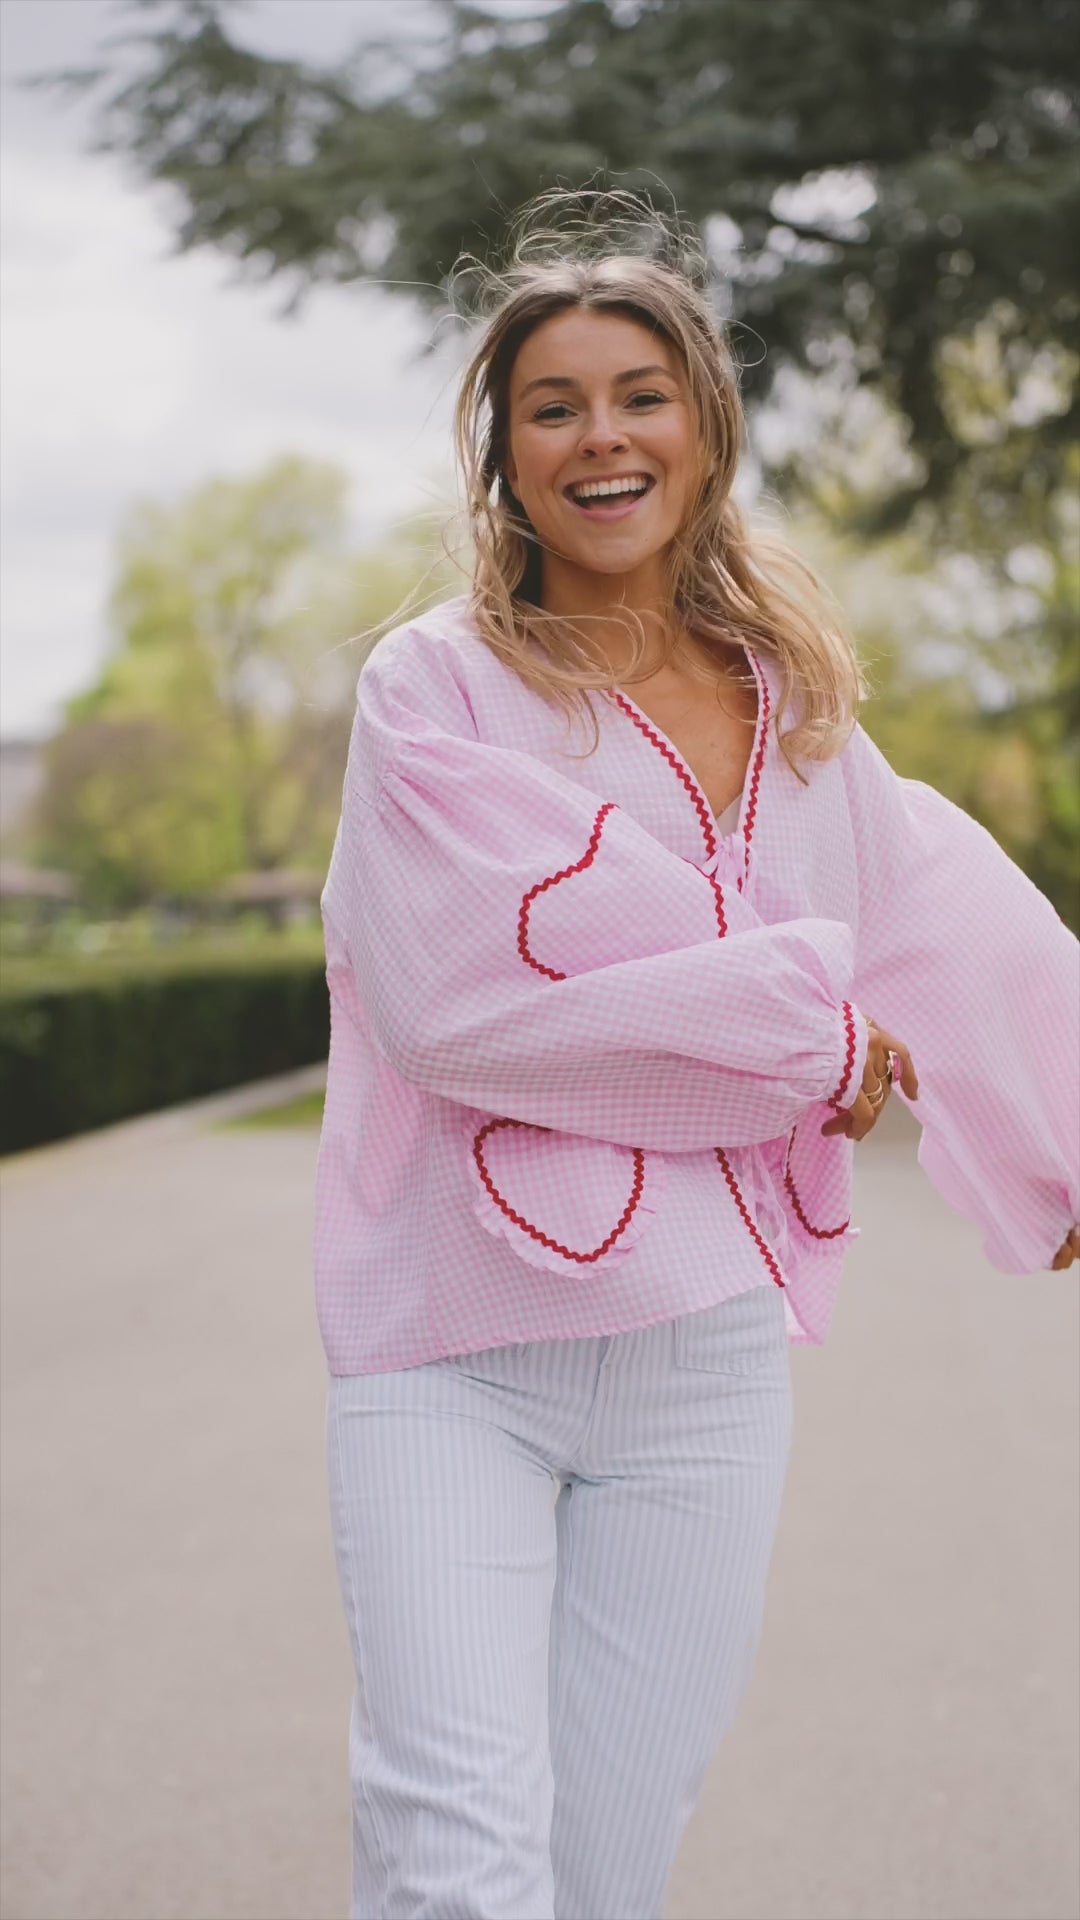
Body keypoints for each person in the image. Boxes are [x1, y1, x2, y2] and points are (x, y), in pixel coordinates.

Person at [314, 192, 1080, 1919]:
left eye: (642, 393)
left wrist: (1059, 1155)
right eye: (555, 404)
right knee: (456, 1849)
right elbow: (467, 1004)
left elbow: (946, 918)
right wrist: (808, 1035)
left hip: (703, 1368)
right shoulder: (433, 692)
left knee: (607, 1865)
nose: (603, 436)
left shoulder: (795, 698)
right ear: (504, 455)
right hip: (455, 1351)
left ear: (705, 427)